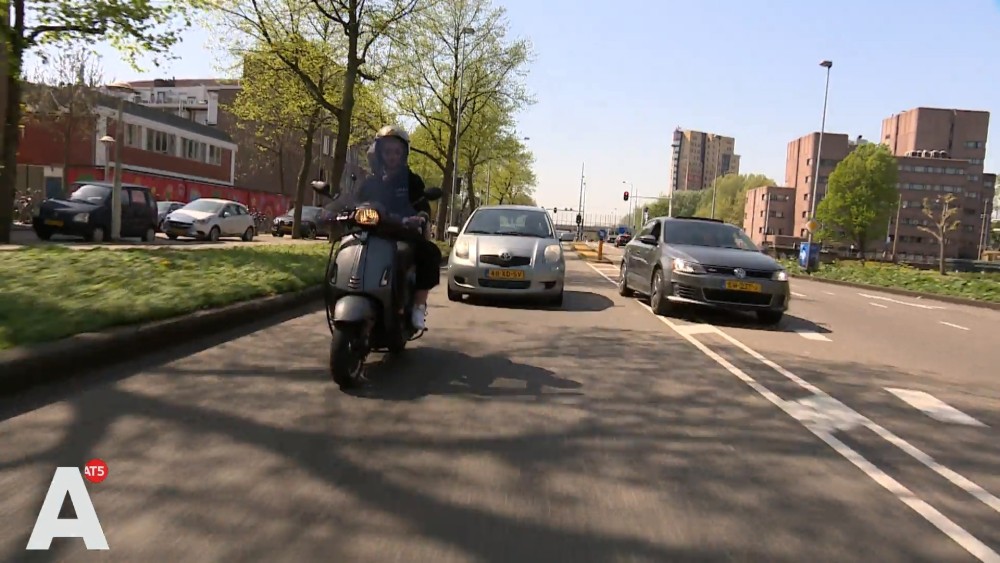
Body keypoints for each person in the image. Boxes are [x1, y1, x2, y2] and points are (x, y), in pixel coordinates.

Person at [356, 125, 442, 330]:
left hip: (403, 233)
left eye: (396, 152)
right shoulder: (370, 182)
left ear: (403, 154)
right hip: (373, 232)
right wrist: (334, 210)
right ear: (379, 153)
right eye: (387, 151)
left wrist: (420, 217)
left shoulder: (412, 180)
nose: (392, 156)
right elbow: (355, 202)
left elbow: (423, 206)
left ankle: (418, 306)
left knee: (429, 253)